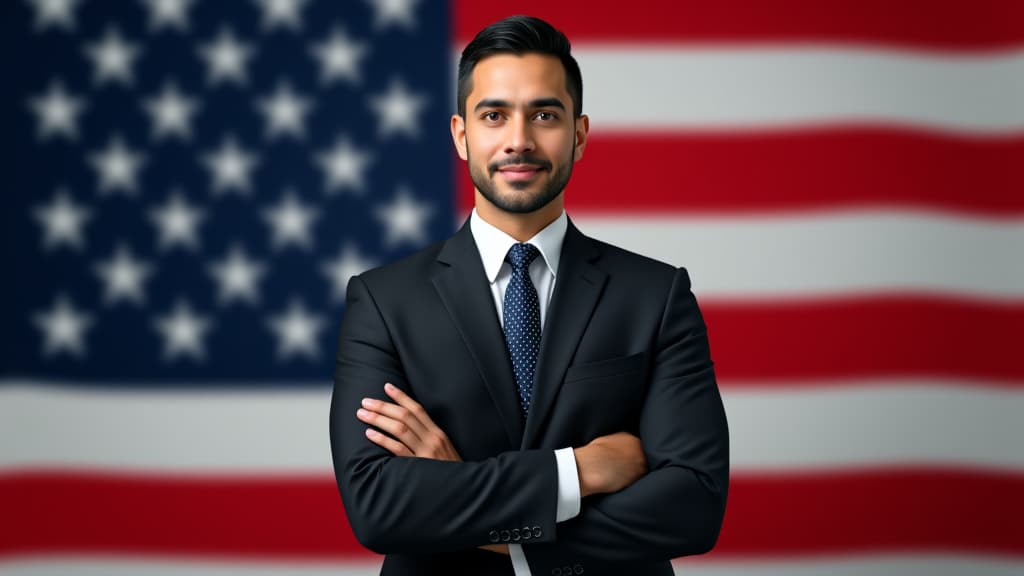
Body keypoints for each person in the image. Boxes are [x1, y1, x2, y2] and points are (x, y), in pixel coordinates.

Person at [330, 15, 729, 576]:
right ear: (461, 134)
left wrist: (460, 496)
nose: (519, 140)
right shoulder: (382, 301)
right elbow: (379, 506)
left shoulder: (656, 295)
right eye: (494, 115)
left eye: (544, 114)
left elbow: (694, 507)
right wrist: (579, 472)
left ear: (580, 134)